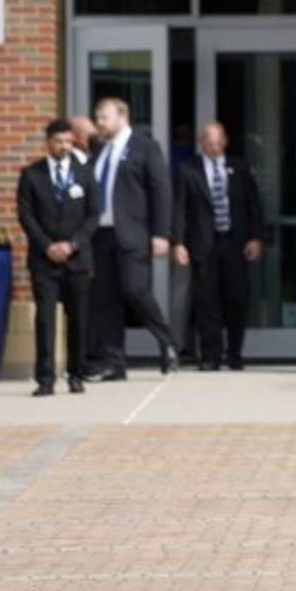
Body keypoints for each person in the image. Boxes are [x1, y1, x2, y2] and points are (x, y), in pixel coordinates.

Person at [85, 97, 179, 380]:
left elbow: (161, 190)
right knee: (106, 299)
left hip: (133, 234)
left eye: (104, 117)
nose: (99, 123)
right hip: (101, 235)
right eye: (98, 118)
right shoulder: (99, 151)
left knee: (135, 290)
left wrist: (162, 233)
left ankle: (168, 342)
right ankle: (115, 362)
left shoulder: (145, 146)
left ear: (122, 116)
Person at [16, 119, 101, 396]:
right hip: (44, 260)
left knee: (78, 318)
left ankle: (76, 374)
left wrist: (73, 244)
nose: (64, 146)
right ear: (48, 142)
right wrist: (47, 246)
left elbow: (93, 214)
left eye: (68, 141)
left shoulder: (85, 173)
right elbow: (26, 216)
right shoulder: (31, 175)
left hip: (77, 259)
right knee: (45, 319)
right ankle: (46, 378)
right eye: (59, 142)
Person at [172, 122, 264, 371]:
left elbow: (252, 204)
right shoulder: (187, 169)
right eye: (208, 142)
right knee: (207, 302)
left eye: (217, 141)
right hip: (204, 244)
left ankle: (234, 353)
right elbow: (179, 208)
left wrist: (255, 237)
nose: (214, 146)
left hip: (234, 243)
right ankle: (210, 356)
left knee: (237, 299)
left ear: (225, 141)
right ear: (201, 143)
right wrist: (178, 243)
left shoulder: (240, 167)